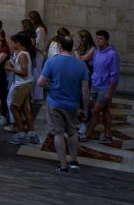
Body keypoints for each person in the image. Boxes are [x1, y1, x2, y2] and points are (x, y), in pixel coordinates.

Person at [38, 35, 90, 173]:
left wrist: (52, 86)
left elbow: (40, 82)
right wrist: (85, 110)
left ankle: (63, 165)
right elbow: (85, 90)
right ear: (72, 47)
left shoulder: (52, 61)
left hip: (55, 103)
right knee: (73, 131)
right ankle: (74, 160)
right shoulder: (81, 64)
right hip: (72, 104)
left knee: (58, 133)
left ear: (60, 46)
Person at [83, 30, 120, 143]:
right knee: (105, 111)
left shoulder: (112, 54)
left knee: (95, 111)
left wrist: (109, 92)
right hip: (95, 86)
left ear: (106, 40)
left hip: (105, 88)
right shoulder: (97, 51)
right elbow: (93, 66)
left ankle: (87, 134)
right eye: (97, 38)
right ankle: (108, 135)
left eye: (101, 38)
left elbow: (114, 75)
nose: (98, 40)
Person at [5, 32, 37, 145]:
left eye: (13, 42)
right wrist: (14, 65)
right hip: (25, 83)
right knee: (25, 108)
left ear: (19, 43)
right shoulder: (22, 53)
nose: (12, 44)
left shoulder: (23, 54)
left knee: (14, 107)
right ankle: (32, 134)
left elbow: (24, 72)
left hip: (23, 85)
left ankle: (21, 133)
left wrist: (10, 69)